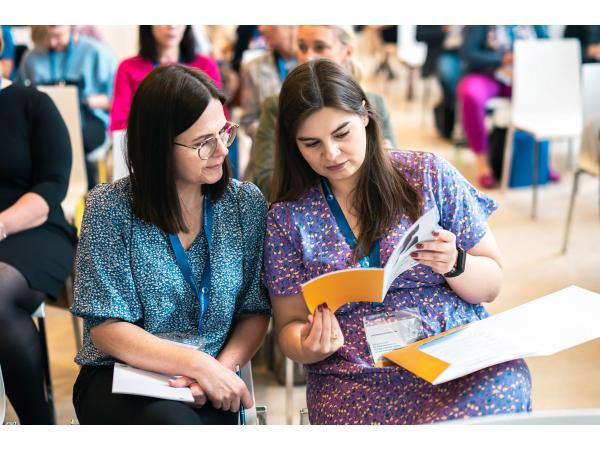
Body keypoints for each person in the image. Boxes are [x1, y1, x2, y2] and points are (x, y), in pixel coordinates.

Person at [263, 59, 532, 425]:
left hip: (453, 349)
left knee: (498, 392)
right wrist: (308, 347)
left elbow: (492, 284)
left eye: (342, 134)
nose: (331, 154)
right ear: (293, 146)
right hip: (355, 373)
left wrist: (456, 263)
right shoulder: (287, 217)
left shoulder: (427, 175)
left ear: (366, 117)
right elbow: (289, 326)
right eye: (312, 144)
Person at [71, 64, 270, 425]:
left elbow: (254, 310)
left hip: (212, 381)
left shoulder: (244, 204)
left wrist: (217, 373)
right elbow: (107, 329)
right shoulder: (109, 208)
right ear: (158, 146)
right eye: (202, 143)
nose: (222, 151)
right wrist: (196, 364)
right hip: (123, 378)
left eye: (224, 132)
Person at [0, 32, 76, 424]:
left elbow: (52, 185)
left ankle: (37, 426)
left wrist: (2, 224)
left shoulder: (32, 103)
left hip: (34, 230)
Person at [249, 25, 397, 200]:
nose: (308, 56)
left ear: (347, 52)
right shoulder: (277, 104)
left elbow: (391, 167)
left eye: (320, 47)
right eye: (302, 47)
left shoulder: (376, 103)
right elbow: (267, 180)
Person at [17, 25, 117, 189]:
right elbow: (21, 95)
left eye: (57, 36)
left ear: (71, 28)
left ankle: (86, 196)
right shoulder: (31, 58)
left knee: (72, 142)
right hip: (44, 121)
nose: (52, 42)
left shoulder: (95, 52)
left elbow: (117, 100)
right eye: (47, 38)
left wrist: (87, 101)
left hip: (88, 119)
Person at [457, 25, 548, 188]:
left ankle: (541, 162)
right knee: (470, 94)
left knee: (544, 92)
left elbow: (547, 46)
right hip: (488, 74)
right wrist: (502, 59)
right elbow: (468, 53)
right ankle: (482, 165)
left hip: (523, 76)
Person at [109, 25, 224, 132]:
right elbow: (119, 124)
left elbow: (220, 118)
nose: (172, 26)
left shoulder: (206, 65)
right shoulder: (128, 68)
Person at [239, 25, 298, 137]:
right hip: (269, 151)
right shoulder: (252, 67)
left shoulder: (313, 61)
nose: (261, 29)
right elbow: (248, 120)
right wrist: (276, 137)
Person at [417, 26, 464, 139]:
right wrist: (444, 29)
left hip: (470, 55)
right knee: (449, 72)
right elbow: (419, 34)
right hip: (443, 53)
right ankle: (458, 113)